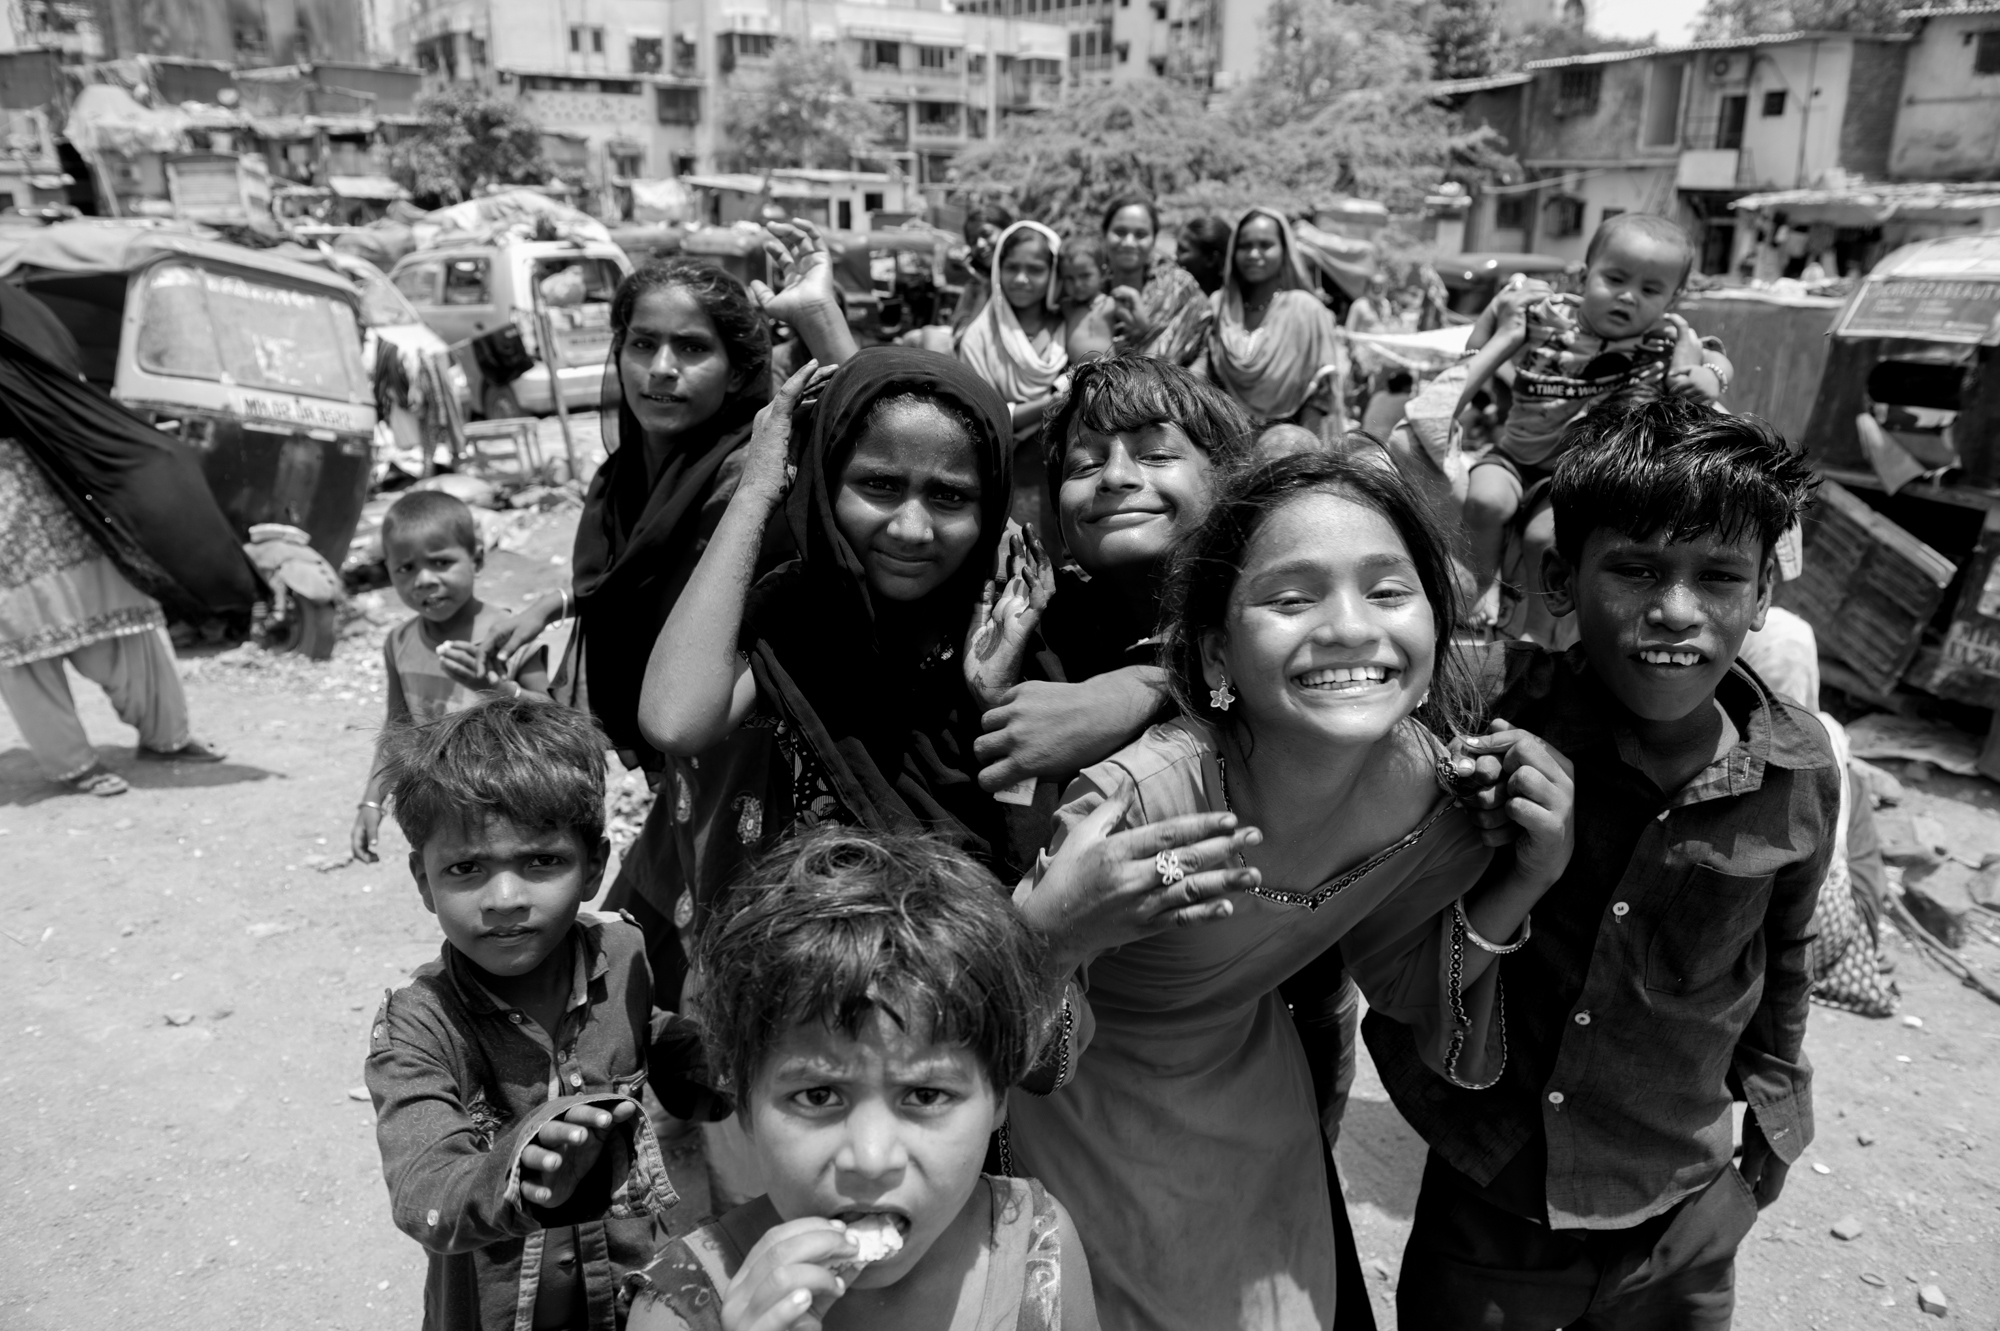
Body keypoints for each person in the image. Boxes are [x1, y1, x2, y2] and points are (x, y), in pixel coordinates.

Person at [1007, 452, 1577, 1331]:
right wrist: (1047, 937)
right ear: (1215, 652)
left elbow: (1403, 974)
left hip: (1254, 1098)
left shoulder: (1437, 791)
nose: (1350, 627)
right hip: (1083, 1111)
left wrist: (1532, 870)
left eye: (1388, 592)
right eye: (1292, 598)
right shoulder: (1140, 803)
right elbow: (1001, 1022)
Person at [1370, 399, 1836, 1330]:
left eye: (1718, 576)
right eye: (1633, 569)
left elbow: (1783, 958)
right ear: (1559, 579)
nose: (1675, 609)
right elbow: (1337, 666)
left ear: (1762, 598)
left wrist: (1775, 1130)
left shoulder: (1799, 767)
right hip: (1496, 1197)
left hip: (1682, 1210)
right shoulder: (1493, 710)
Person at [479, 230, 857, 1001]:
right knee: (636, 974)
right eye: (642, 343)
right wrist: (558, 600)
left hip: (755, 774)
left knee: (729, 991)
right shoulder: (625, 478)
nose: (659, 368)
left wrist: (820, 320)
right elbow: (634, 578)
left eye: (690, 348)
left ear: (739, 368)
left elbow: (878, 446)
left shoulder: (755, 467)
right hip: (681, 778)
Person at [626, 825, 1101, 1331]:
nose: (871, 1161)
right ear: (743, 1103)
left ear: (998, 1097)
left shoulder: (1037, 1250)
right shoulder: (680, 1309)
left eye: (925, 1094)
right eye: (818, 1094)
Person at [639, 347, 1029, 889]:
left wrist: (998, 700)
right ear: (825, 481)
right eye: (880, 486)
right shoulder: (801, 609)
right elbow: (675, 720)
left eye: (949, 496)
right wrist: (756, 490)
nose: (911, 530)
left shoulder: (1016, 619)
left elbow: (1036, 837)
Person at [363, 696, 689, 1331]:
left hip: (628, 1298)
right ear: (424, 881)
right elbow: (422, 1186)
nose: (505, 899)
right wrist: (517, 1169)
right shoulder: (420, 1024)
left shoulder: (623, 954)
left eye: (542, 861)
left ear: (595, 863)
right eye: (466, 868)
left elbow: (648, 1036)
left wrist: (720, 1061)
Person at [0, 287, 225, 797]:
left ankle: (167, 737)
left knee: (126, 619)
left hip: (63, 483)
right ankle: (73, 764)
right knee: (22, 642)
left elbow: (67, 384)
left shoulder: (20, 306)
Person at [1458, 213, 1733, 627]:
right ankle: (1480, 586)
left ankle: (1536, 631)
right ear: (1585, 276)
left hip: (1579, 474)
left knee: (1544, 539)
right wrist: (1497, 310)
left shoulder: (1666, 340)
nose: (1628, 296)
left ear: (1671, 300)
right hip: (1515, 457)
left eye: (1649, 289)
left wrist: (1709, 377)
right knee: (1484, 499)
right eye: (1615, 280)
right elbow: (1476, 349)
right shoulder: (1548, 318)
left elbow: (1716, 358)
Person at [352, 490, 550, 862]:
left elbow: (556, 719)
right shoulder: (399, 642)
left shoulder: (510, 635)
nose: (424, 580)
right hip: (439, 810)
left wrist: (501, 690)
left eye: (441, 562)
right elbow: (396, 728)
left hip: (512, 808)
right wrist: (372, 800)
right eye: (406, 568)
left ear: (476, 560)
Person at [1204, 207, 1346, 434]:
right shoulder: (1220, 307)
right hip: (1224, 441)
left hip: (1288, 448)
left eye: (1265, 245)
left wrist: (1302, 457)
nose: (1253, 254)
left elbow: (1320, 396)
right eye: (1244, 246)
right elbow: (1202, 376)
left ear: (1284, 250)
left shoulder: (1305, 310)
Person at [1101, 195, 1212, 366]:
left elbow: (1203, 352)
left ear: (1153, 239)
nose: (1129, 242)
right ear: (1105, 234)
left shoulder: (1179, 290)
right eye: (1120, 232)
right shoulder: (1083, 285)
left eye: (1141, 234)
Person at [950, 202, 1015, 338]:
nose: (979, 245)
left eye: (986, 234)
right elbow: (961, 338)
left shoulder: (1025, 280)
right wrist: (985, 286)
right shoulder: (973, 290)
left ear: (1008, 230)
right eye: (972, 241)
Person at [1057, 233, 1117, 363]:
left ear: (1103, 273)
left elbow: (1140, 329)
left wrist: (1134, 298)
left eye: (1085, 276)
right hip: (1075, 373)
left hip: (1107, 370)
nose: (1077, 284)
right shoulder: (1066, 307)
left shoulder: (1110, 304)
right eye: (1069, 278)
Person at [1175, 215, 1233, 298]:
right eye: (1177, 248)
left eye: (1183, 251)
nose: (1174, 256)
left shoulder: (1228, 305)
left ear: (1211, 259)